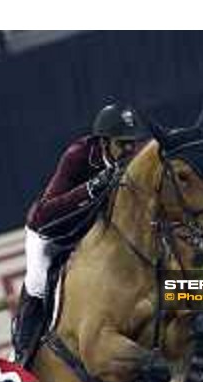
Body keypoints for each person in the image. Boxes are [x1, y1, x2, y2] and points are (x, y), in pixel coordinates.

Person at [13, 103, 149, 364]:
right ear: (104, 142)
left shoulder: (132, 161)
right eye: (122, 144)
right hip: (50, 233)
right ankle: (22, 355)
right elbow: (46, 211)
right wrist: (91, 187)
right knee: (37, 283)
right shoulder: (78, 156)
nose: (129, 150)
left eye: (132, 143)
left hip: (87, 234)